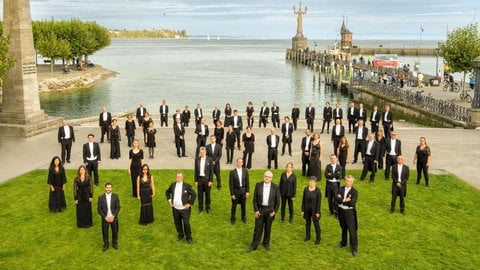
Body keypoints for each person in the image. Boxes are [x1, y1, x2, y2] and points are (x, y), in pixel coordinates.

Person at [247, 171, 280, 252]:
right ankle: (254, 245)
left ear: (271, 178)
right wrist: (256, 210)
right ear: (263, 176)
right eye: (266, 176)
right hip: (260, 210)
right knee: (257, 229)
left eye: (269, 177)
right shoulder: (258, 185)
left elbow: (278, 201)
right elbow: (254, 199)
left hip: (270, 211)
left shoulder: (275, 187)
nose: (267, 178)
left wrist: (274, 211)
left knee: (268, 228)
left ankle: (266, 243)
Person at [166, 171, 196, 243]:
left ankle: (188, 237)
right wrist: (169, 200)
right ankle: (180, 235)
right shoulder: (173, 185)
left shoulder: (187, 186)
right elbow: (167, 192)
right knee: (177, 223)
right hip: (175, 208)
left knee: (186, 223)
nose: (178, 178)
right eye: (177, 177)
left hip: (184, 209)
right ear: (175, 177)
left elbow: (194, 194)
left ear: (183, 178)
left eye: (180, 177)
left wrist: (189, 204)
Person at [335, 175, 358, 257]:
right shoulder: (340, 188)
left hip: (349, 213)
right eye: (347, 181)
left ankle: (354, 248)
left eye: (349, 181)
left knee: (352, 231)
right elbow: (336, 199)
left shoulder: (355, 192)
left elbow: (352, 203)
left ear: (352, 182)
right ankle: (343, 243)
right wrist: (345, 200)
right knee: (343, 228)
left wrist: (341, 200)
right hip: (341, 211)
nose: (347, 183)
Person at [97, 182, 121, 252]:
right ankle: (106, 244)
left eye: (109, 187)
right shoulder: (100, 198)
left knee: (115, 231)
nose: (108, 189)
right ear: (105, 188)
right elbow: (99, 209)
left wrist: (113, 216)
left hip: (113, 218)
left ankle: (114, 243)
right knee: (105, 232)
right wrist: (105, 217)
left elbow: (118, 207)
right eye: (107, 187)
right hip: (105, 218)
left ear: (112, 188)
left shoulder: (115, 196)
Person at [301, 176, 321, 245]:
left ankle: (318, 239)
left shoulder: (318, 191)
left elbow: (319, 202)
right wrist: (302, 210)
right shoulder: (306, 189)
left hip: (314, 211)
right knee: (307, 223)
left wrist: (317, 212)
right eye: (310, 181)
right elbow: (303, 200)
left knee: (316, 224)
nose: (311, 183)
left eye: (312, 182)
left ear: (315, 183)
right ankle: (308, 236)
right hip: (307, 210)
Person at [229, 158, 250, 224]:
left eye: (241, 162)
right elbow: (231, 184)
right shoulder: (232, 172)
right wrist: (232, 194)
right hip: (236, 191)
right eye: (238, 162)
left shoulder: (245, 171)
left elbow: (247, 182)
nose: (240, 163)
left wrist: (247, 191)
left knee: (243, 205)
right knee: (234, 205)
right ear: (236, 163)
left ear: (242, 163)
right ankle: (232, 218)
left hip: (243, 191)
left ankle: (243, 217)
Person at [194, 147, 214, 213]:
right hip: (200, 179)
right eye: (201, 152)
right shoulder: (197, 159)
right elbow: (196, 170)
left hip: (207, 180)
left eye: (203, 152)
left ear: (205, 152)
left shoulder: (210, 159)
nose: (202, 153)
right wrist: (196, 180)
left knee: (207, 195)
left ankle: (208, 207)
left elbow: (211, 171)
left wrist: (211, 180)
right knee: (200, 195)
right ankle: (200, 207)